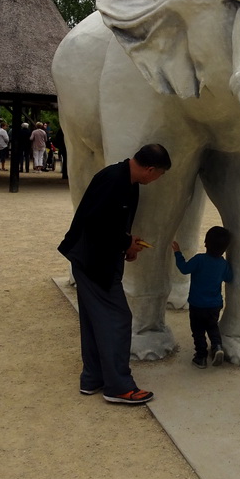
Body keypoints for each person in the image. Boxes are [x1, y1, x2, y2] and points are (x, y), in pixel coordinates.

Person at [58, 143, 172, 404]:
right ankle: (118, 386)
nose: (157, 180)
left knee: (94, 319)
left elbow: (110, 224)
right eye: (159, 175)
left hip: (94, 257)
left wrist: (127, 242)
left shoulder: (125, 180)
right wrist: (124, 243)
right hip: (93, 261)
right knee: (117, 319)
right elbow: (97, 224)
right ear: (150, 169)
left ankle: (93, 378)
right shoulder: (114, 180)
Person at [172, 226, 233, 369]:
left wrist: (177, 253)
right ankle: (217, 346)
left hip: (197, 305)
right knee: (212, 327)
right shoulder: (223, 264)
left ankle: (201, 357)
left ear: (205, 243)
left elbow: (184, 269)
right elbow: (229, 278)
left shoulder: (199, 259)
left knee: (198, 331)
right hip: (214, 304)